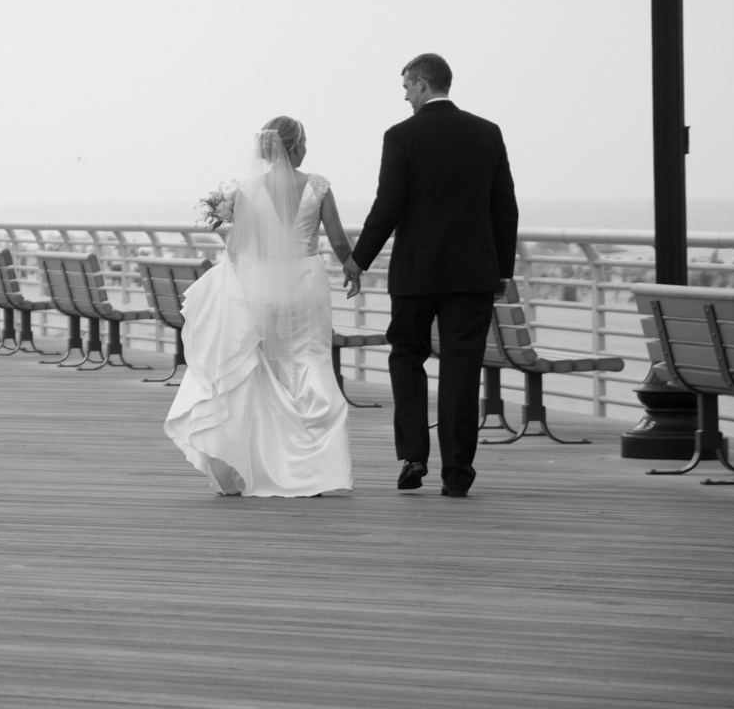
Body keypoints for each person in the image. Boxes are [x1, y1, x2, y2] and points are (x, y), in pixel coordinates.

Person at [345, 54, 518, 499]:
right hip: (473, 274)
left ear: (422, 83)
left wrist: (359, 260)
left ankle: (414, 456)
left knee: (406, 355)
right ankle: (457, 472)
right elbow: (505, 207)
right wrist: (501, 270)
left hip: (416, 272)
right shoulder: (487, 132)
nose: (405, 96)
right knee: (462, 367)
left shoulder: (401, 136)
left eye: (406, 86)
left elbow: (388, 205)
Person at [164, 116, 361, 497]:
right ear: (295, 145)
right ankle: (311, 467)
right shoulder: (318, 186)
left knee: (265, 369)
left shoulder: (249, 189)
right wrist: (353, 270)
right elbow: (339, 241)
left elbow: (238, 249)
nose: (307, 148)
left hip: (262, 287)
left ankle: (260, 463)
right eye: (305, 141)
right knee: (308, 360)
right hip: (305, 284)